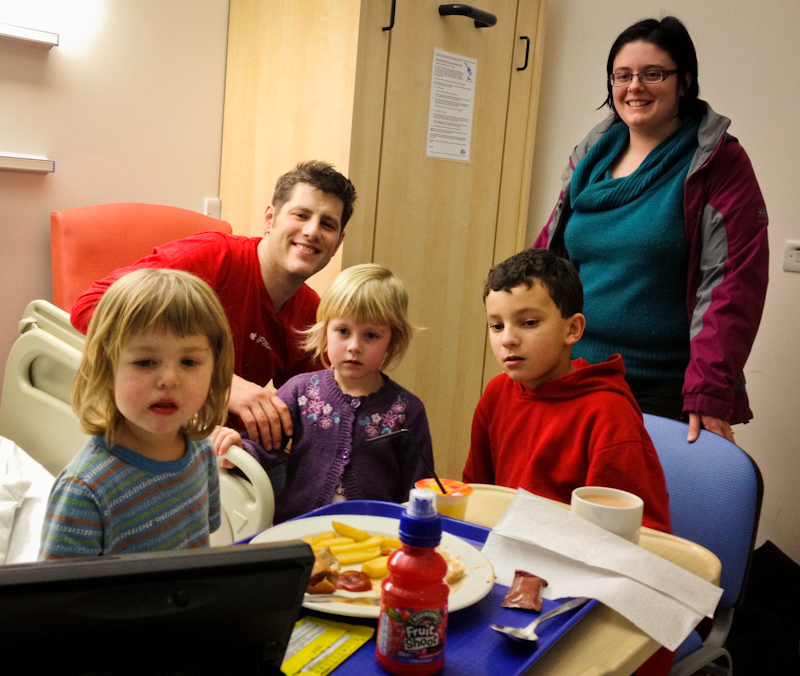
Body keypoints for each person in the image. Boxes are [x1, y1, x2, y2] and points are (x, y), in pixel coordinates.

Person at [534, 16, 768, 443]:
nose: (634, 86)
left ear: (685, 81)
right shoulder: (591, 155)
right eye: (622, 75)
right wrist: (525, 339)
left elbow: (733, 286)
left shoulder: (718, 163)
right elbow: (550, 259)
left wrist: (709, 393)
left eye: (653, 73)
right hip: (572, 372)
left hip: (661, 391)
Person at [71, 160, 357, 453]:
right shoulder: (213, 258)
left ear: (338, 243)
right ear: (270, 219)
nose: (311, 231)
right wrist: (223, 385)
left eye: (327, 224)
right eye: (301, 215)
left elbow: (322, 403)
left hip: (224, 452)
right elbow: (89, 308)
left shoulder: (312, 316)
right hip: (147, 432)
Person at [462, 249, 671, 534]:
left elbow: (635, 533)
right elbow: (477, 495)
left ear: (572, 329)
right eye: (496, 326)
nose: (508, 339)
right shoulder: (497, 394)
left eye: (529, 322)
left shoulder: (608, 413)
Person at [39, 268, 241, 558]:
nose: (169, 379)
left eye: (189, 361)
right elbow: (58, 599)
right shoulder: (85, 491)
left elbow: (198, 552)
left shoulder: (201, 453)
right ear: (106, 369)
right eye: (145, 362)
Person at [217, 264, 435, 523]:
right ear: (325, 332)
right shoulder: (301, 391)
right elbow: (259, 448)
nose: (354, 346)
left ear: (392, 340)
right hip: (298, 533)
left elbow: (420, 488)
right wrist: (235, 448)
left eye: (371, 335)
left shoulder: (408, 409)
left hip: (374, 542)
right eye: (343, 331)